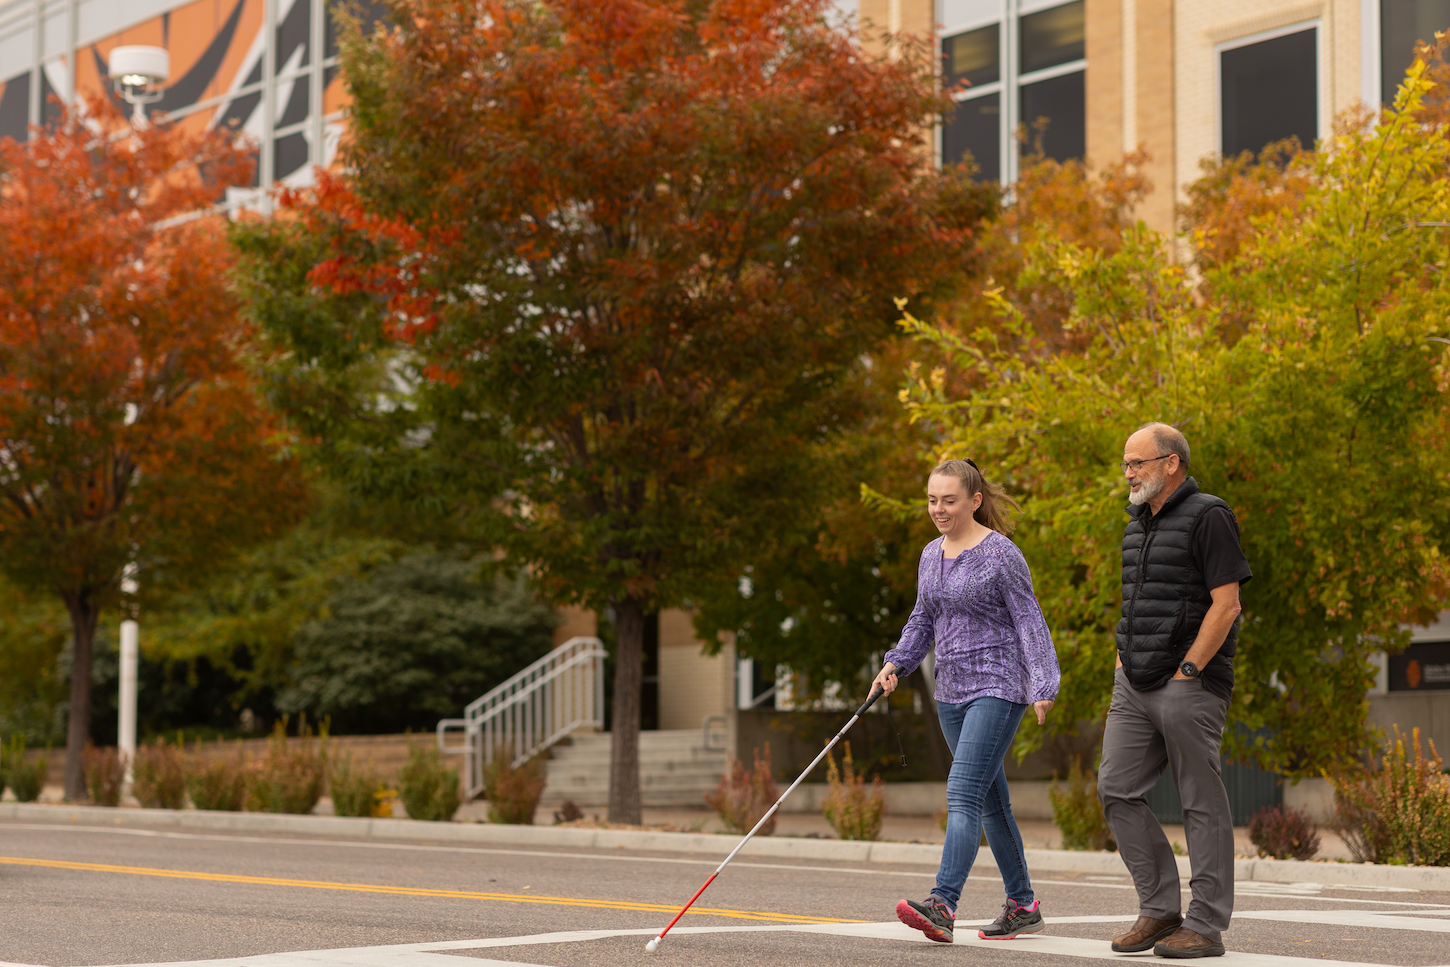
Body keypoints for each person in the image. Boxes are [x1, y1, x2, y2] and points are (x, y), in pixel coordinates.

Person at [872, 458, 1060, 945]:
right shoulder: (929, 555)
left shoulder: (1001, 555)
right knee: (992, 804)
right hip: (951, 693)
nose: (938, 509)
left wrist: (1043, 683)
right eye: (932, 499)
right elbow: (922, 620)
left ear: (974, 501)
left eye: (949, 500)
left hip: (998, 687)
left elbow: (1029, 620)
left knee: (962, 793)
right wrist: (897, 663)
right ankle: (1023, 905)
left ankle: (942, 903)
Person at [1098, 423, 1252, 959]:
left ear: (1171, 463)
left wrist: (1189, 669)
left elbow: (1227, 603)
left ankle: (1206, 924)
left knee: (1199, 802)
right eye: (1125, 464)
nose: (1129, 473)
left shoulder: (1209, 514)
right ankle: (1161, 908)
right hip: (1133, 683)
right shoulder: (1136, 525)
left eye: (1137, 463)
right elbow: (1135, 600)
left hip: (1189, 681)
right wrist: (1123, 655)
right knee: (1115, 787)